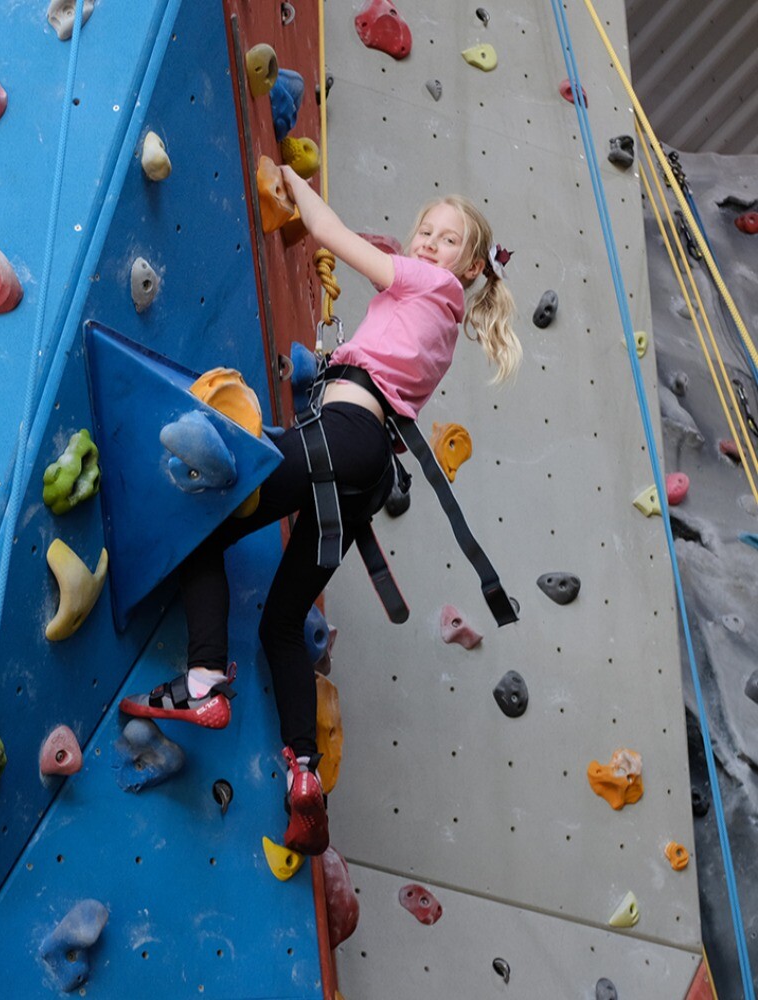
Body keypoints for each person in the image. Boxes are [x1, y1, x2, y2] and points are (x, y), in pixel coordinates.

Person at [120, 165, 522, 855]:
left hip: (342, 441)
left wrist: (289, 179)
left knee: (203, 525)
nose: (427, 243)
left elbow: (328, 233)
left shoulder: (431, 282)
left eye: (446, 239)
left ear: (471, 262)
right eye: (424, 231)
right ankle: (305, 775)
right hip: (363, 477)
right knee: (283, 625)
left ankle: (204, 680)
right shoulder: (445, 315)